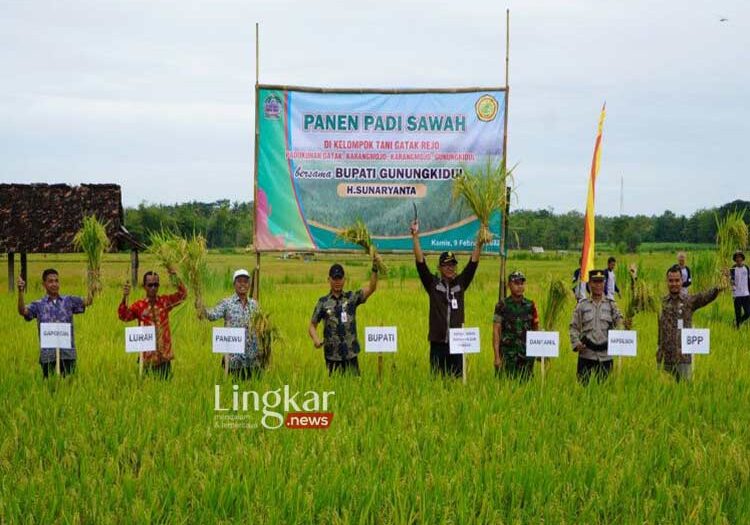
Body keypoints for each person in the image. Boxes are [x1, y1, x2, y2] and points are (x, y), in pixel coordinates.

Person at [410, 219, 484, 378]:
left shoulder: (461, 283)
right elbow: (420, 263)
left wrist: (479, 243)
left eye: (453, 265)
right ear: (440, 268)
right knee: (437, 381)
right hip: (438, 343)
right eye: (446, 265)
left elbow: (473, 264)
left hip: (457, 343)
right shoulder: (433, 284)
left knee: (456, 382)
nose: (450, 268)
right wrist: (415, 236)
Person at [17, 269, 93, 378]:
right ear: (44, 284)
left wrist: (93, 285)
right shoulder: (39, 305)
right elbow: (23, 311)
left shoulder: (69, 301)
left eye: (56, 281)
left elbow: (88, 301)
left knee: (69, 386)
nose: (54, 284)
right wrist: (20, 292)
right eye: (50, 281)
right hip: (48, 355)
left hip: (67, 353)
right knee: (49, 387)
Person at [308, 258, 379, 376]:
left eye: (340, 278)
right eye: (334, 278)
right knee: (335, 389)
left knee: (354, 387)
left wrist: (375, 268)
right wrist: (316, 339)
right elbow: (312, 325)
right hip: (332, 356)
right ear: (329, 279)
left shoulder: (351, 298)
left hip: (351, 354)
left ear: (344, 280)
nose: (337, 281)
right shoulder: (323, 302)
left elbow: (371, 288)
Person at [118, 267, 187, 379]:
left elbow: (182, 295)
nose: (153, 288)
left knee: (166, 389)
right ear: (144, 287)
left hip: (164, 357)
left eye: (156, 285)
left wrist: (175, 278)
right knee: (147, 388)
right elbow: (124, 316)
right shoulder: (139, 306)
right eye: (150, 285)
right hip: (147, 359)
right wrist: (125, 297)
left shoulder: (165, 302)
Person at [658, 264, 721, 381]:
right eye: (671, 281)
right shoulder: (661, 303)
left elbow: (706, 296)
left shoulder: (689, 301)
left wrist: (719, 286)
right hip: (664, 358)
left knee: (684, 393)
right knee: (664, 396)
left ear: (682, 281)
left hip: (683, 358)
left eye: (677, 280)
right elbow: (640, 301)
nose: (674, 284)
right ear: (667, 282)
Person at [199, 269, 261, 379]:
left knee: (253, 391)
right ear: (234, 284)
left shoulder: (254, 305)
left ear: (249, 285)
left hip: (252, 359)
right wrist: (202, 309)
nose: (243, 284)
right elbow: (212, 315)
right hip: (234, 360)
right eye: (239, 281)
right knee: (233, 391)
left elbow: (260, 326)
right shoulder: (227, 303)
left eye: (245, 281)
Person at [569, 269, 624, 384]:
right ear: (589, 284)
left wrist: (625, 325)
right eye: (595, 282)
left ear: (604, 283)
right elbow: (574, 327)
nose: (598, 285)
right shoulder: (582, 305)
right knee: (583, 392)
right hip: (586, 355)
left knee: (604, 392)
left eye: (601, 282)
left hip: (605, 356)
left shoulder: (611, 305)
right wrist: (576, 343)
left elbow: (620, 323)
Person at [492, 271, 539, 381]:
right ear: (509, 285)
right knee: (506, 386)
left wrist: (539, 352)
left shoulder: (530, 305)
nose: (519, 286)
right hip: (508, 355)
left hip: (527, 354)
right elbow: (496, 331)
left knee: (527, 386)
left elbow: (536, 329)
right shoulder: (501, 305)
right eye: (516, 283)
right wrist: (497, 356)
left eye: (521, 283)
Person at [730, 251, 750, 328]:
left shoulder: (746, 268)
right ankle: (737, 327)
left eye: (740, 257)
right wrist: (731, 282)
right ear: (735, 259)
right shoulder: (733, 268)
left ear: (742, 258)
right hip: (737, 295)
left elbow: (749, 280)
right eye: (737, 258)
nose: (738, 259)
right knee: (738, 313)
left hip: (746, 294)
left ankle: (738, 322)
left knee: (748, 313)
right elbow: (731, 281)